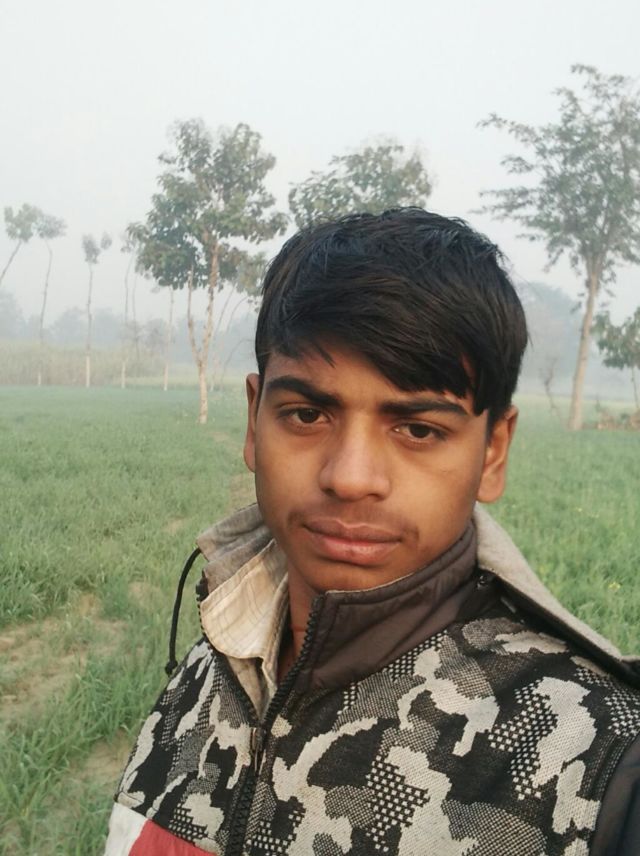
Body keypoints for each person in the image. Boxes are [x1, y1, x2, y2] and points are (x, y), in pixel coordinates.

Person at [105, 209, 640, 856]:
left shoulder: (600, 765)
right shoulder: (220, 648)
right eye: (307, 414)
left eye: (418, 429)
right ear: (254, 420)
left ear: (493, 452)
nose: (350, 478)